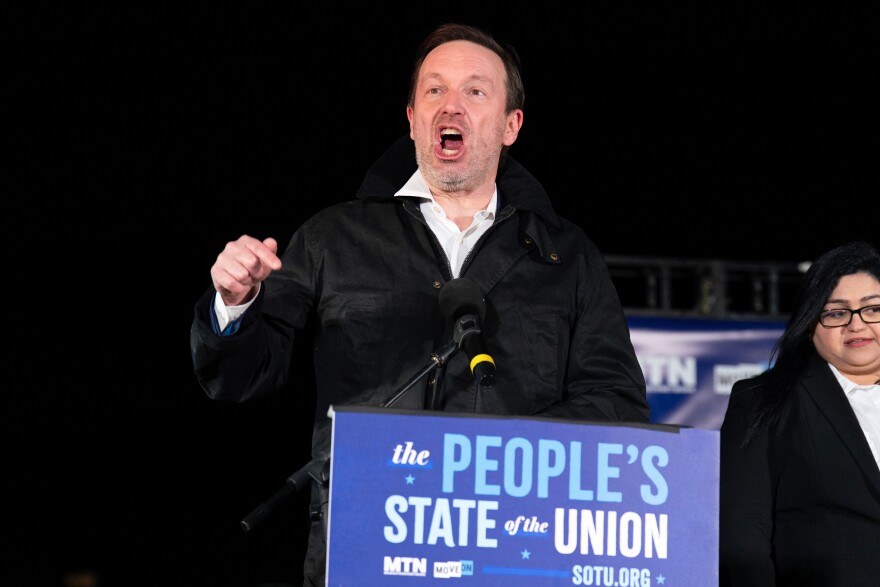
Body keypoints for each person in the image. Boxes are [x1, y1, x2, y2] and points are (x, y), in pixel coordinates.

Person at [190, 22, 650, 586]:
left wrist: (509, 455)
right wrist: (234, 305)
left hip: (513, 549)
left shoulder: (567, 257)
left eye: (474, 91)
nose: (450, 105)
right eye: (435, 90)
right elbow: (240, 376)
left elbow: (617, 404)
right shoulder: (334, 238)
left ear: (511, 125)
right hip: (368, 546)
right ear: (412, 119)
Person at [719, 240, 880, 586]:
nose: (856, 325)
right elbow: (742, 542)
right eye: (836, 313)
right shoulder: (763, 400)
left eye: (873, 309)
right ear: (810, 326)